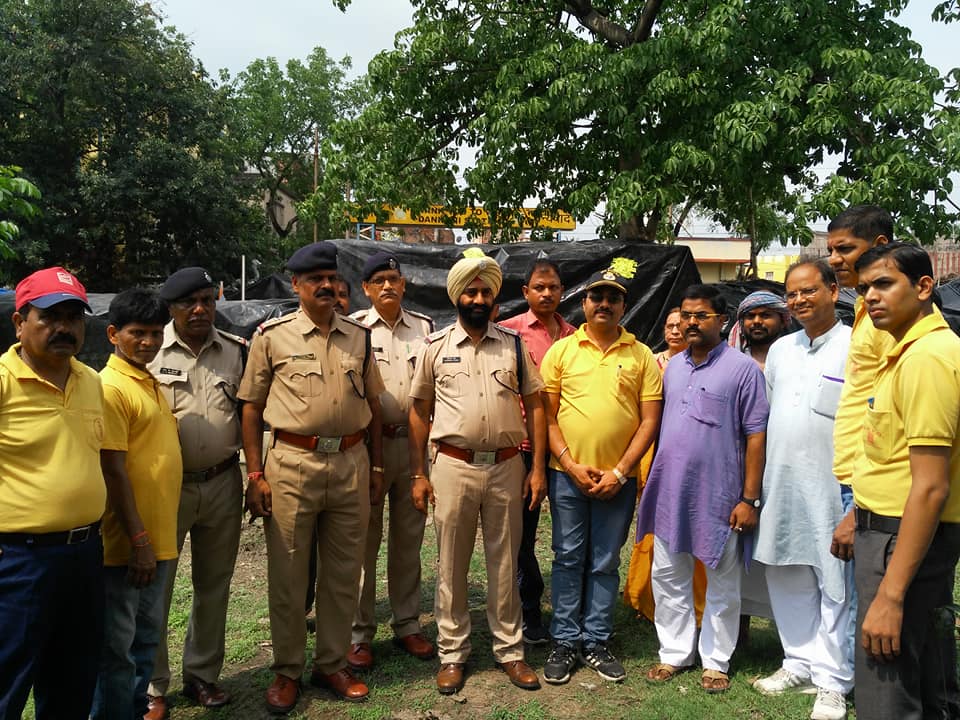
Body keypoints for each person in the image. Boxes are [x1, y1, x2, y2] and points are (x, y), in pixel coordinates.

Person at [239, 241, 385, 713]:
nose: (325, 285)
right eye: (314, 279)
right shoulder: (271, 337)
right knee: (288, 572)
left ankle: (332, 663)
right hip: (291, 466)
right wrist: (255, 473)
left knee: (343, 572)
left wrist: (376, 466)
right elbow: (251, 407)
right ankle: (287, 670)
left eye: (331, 278)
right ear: (295, 285)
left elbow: (374, 406)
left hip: (350, 463)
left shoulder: (359, 337)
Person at [408, 252, 546, 695]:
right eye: (471, 291)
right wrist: (418, 473)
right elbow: (419, 411)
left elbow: (536, 406)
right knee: (451, 564)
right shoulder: (435, 347)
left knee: (505, 563)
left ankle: (510, 650)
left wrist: (537, 468)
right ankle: (452, 653)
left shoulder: (514, 346)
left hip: (507, 466)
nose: (479, 298)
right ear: (457, 297)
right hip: (452, 467)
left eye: (486, 291)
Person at [638, 284, 769, 694]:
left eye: (701, 316)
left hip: (721, 494)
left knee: (722, 581)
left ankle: (715, 660)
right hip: (670, 491)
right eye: (686, 315)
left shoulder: (743, 370)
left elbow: (756, 435)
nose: (691, 323)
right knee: (668, 575)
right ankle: (675, 653)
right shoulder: (673, 367)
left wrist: (748, 498)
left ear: (722, 320)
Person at [849, 243, 960, 720]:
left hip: (900, 540)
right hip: (892, 532)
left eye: (883, 284)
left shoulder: (927, 358)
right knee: (926, 684)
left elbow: (931, 486)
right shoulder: (909, 351)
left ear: (923, 287)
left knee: (887, 692)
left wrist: (891, 595)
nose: (870, 297)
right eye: (864, 289)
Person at [538, 261, 662, 684]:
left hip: (618, 481)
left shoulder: (640, 354)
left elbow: (649, 421)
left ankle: (596, 640)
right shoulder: (562, 351)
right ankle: (564, 640)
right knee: (568, 557)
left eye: (613, 298)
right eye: (597, 297)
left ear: (623, 306)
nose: (604, 304)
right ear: (585, 303)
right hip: (566, 475)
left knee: (605, 561)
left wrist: (621, 472)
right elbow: (547, 417)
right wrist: (570, 465)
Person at [0, 268, 105, 720]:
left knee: (73, 680)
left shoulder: (90, 380)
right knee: (7, 679)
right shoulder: (2, 381)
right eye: (50, 316)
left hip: (84, 555)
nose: (64, 327)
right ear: (19, 323)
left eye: (73, 317)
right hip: (19, 561)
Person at [752, 259, 853, 720]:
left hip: (834, 483)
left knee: (835, 581)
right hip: (782, 480)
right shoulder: (781, 350)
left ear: (833, 290)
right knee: (786, 570)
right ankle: (798, 662)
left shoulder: (856, 345)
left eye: (808, 290)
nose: (798, 300)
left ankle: (833, 680)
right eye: (791, 294)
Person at [145, 268, 246, 717]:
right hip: (166, 487)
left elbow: (247, 412)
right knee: (156, 587)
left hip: (223, 482)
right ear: (172, 307)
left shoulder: (235, 351)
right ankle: (152, 686)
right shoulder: (150, 349)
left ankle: (202, 675)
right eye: (190, 302)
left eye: (208, 299)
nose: (201, 309)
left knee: (214, 584)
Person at [93, 289, 183, 720]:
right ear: (113, 334)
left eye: (156, 333)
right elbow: (112, 469)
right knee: (118, 649)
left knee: (145, 640)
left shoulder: (147, 380)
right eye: (137, 333)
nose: (149, 342)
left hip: (157, 538)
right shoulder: (110, 388)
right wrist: (139, 539)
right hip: (129, 545)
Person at [346, 251, 436, 670]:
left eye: (394, 279)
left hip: (413, 446)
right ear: (365, 288)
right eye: (379, 279)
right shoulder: (354, 329)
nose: (388, 286)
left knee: (408, 540)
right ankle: (359, 633)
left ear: (404, 285)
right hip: (369, 448)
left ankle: (407, 623)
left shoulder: (425, 328)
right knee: (363, 541)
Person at [497, 258, 576, 644]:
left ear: (563, 291)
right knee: (522, 535)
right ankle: (528, 612)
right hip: (523, 449)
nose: (547, 294)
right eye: (539, 288)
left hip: (567, 451)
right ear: (525, 292)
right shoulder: (508, 333)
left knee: (569, 535)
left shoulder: (575, 337)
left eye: (553, 287)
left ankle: (573, 610)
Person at [623, 309, 707, 625]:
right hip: (652, 451)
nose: (674, 331)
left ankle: (696, 601)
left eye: (678, 326)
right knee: (651, 526)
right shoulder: (652, 362)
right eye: (669, 326)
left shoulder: (701, 364)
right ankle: (643, 595)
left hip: (688, 454)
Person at [734, 291, 790, 371]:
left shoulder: (795, 357)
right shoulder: (731, 360)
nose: (756, 321)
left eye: (765, 315)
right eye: (750, 316)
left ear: (783, 321)